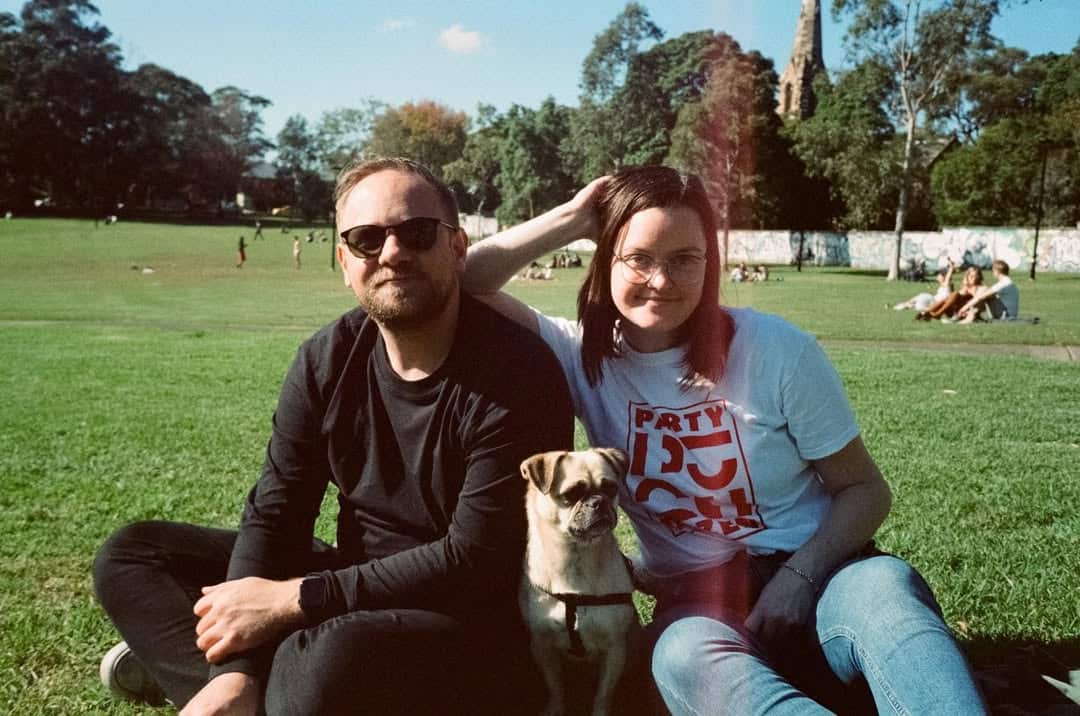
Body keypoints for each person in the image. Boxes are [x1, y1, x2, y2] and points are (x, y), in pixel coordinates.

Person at [463, 166, 986, 714]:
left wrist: (798, 579)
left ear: (710, 266)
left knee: (888, 594)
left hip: (829, 577)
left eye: (684, 259)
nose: (661, 280)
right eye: (638, 257)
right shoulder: (580, 356)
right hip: (698, 605)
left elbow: (864, 490)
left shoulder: (777, 349)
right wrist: (573, 218)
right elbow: (468, 279)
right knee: (678, 657)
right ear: (605, 261)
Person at [93, 157, 574, 715]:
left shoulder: (519, 372)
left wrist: (294, 601)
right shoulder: (327, 358)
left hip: (467, 618)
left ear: (458, 248)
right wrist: (235, 671)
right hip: (352, 581)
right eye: (368, 239)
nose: (393, 253)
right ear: (345, 261)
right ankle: (234, 690)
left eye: (417, 233)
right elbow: (278, 511)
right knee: (134, 556)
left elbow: (475, 560)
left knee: (327, 655)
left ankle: (237, 676)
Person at [916, 264, 984, 321]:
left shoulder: (980, 288)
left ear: (979, 277)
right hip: (954, 312)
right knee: (948, 298)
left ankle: (930, 314)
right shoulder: (966, 287)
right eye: (970, 276)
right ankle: (931, 313)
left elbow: (978, 304)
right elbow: (957, 294)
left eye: (975, 276)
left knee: (954, 295)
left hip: (964, 313)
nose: (973, 278)